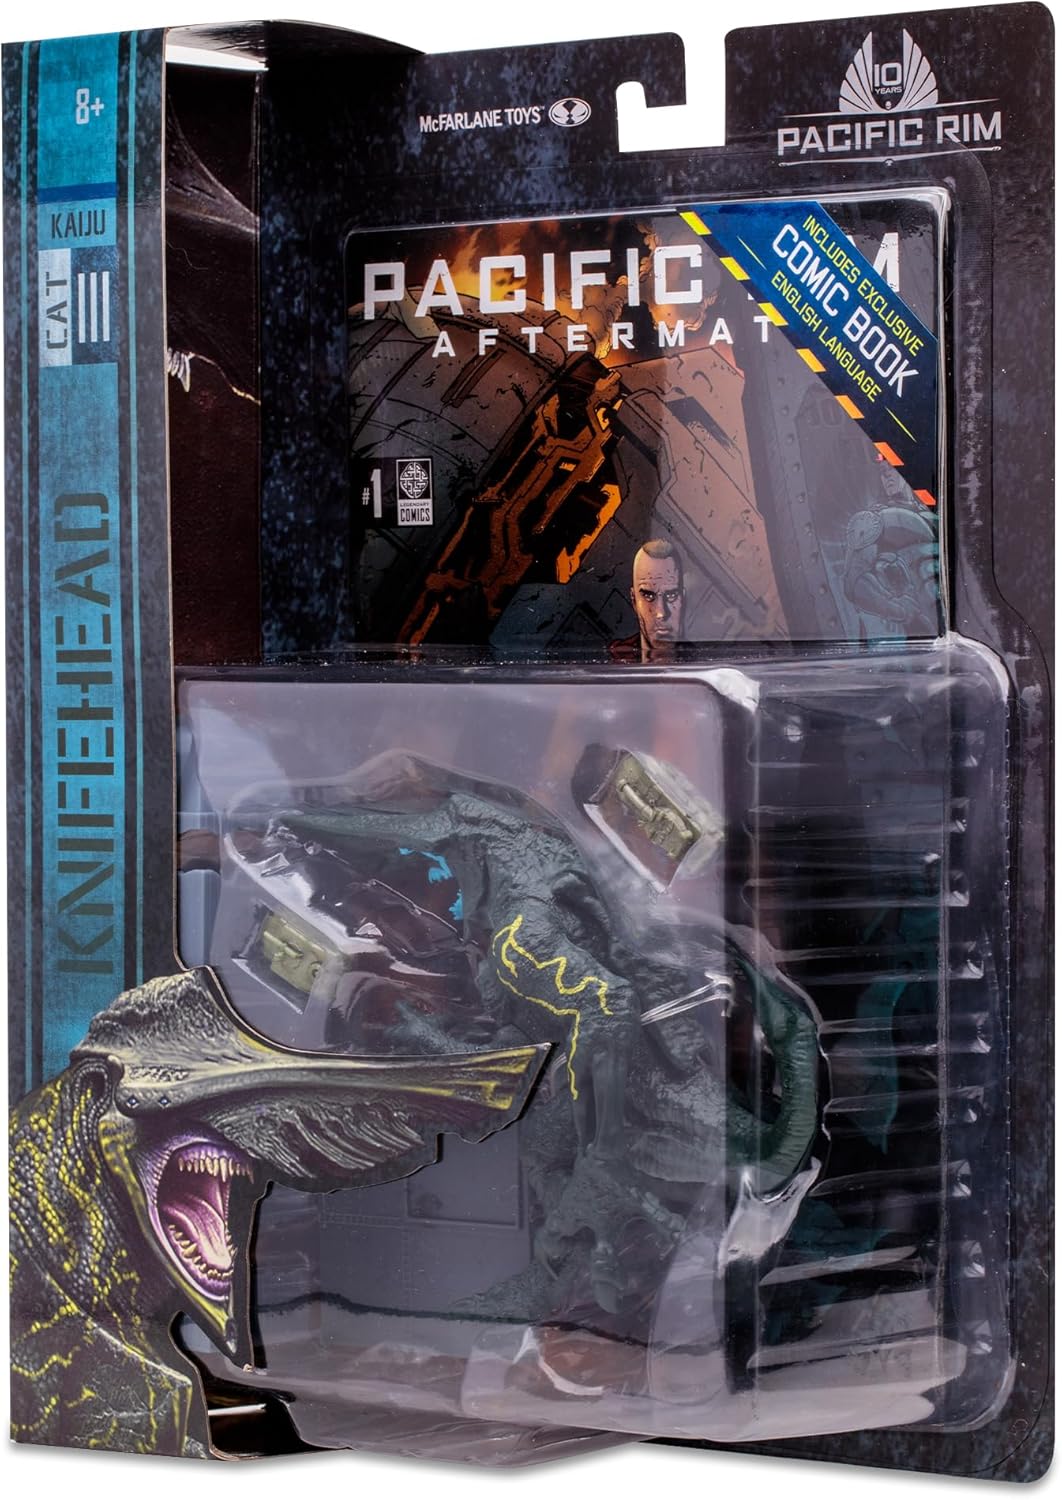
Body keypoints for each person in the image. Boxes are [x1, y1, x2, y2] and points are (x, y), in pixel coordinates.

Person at [610, 537, 686, 661]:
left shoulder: (704, 662)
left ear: (683, 598)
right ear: (634, 600)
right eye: (648, 596)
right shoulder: (614, 663)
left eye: (671, 595)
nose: (661, 613)